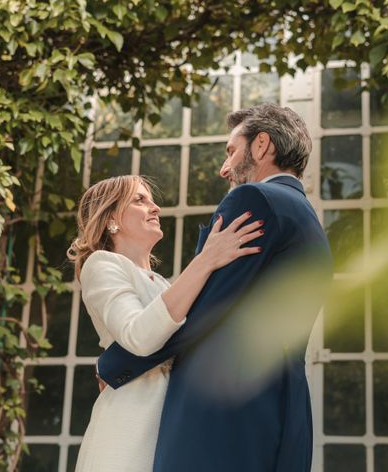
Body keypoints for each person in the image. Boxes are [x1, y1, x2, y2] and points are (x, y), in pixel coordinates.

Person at [96, 103, 333, 472]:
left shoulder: (254, 199)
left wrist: (113, 365)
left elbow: (208, 308)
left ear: (261, 146)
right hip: (285, 410)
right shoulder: (309, 222)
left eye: (231, 151)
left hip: (223, 416)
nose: (224, 169)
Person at [67, 175, 264, 472]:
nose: (155, 207)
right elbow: (140, 336)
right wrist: (205, 260)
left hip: (176, 425)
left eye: (151, 199)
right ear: (110, 218)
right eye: (140, 200)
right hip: (130, 427)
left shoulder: (162, 284)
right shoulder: (102, 264)